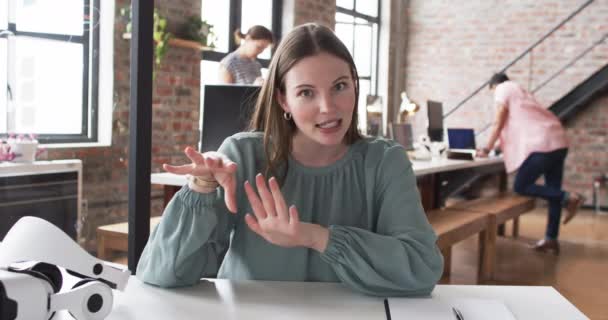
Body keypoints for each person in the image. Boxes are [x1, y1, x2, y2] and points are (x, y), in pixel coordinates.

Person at [137, 23, 443, 297]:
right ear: (284, 99)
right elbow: (161, 274)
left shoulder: (384, 161)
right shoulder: (242, 156)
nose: (328, 108)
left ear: (354, 84)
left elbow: (422, 268)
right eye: (307, 93)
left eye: (339, 86)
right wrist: (202, 185)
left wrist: (315, 237)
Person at [477, 72, 585, 254]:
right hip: (558, 141)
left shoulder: (503, 88)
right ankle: (551, 239)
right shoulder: (522, 92)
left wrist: (486, 149)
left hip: (544, 144)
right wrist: (496, 147)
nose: (494, 97)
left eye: (492, 92)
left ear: (494, 85)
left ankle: (570, 198)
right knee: (553, 192)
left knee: (521, 185)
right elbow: (518, 127)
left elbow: (499, 121)